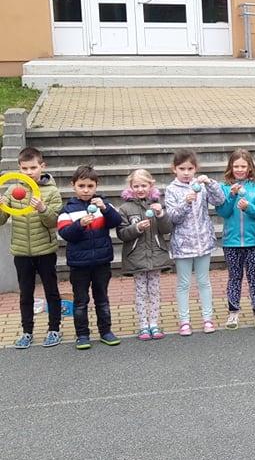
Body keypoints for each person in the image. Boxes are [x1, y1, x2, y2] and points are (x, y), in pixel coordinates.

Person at [0, 146, 63, 349]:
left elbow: (53, 222)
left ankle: (54, 329)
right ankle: (27, 332)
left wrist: (42, 208)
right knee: (25, 294)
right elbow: (1, 220)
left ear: (42, 166)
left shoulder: (52, 191)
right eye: (24, 168)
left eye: (33, 167)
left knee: (51, 291)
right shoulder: (12, 190)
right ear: (19, 168)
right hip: (21, 252)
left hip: (45, 250)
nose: (29, 172)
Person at [57, 165, 123, 349]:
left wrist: (106, 209)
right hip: (79, 264)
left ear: (96, 186)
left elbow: (116, 221)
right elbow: (65, 233)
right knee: (81, 301)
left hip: (102, 261)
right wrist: (79, 224)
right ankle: (82, 335)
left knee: (102, 298)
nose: (86, 190)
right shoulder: (67, 210)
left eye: (90, 186)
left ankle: (106, 332)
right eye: (81, 186)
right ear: (73, 185)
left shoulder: (103, 204)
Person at [164, 149, 225, 336]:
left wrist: (210, 183)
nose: (186, 172)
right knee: (183, 284)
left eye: (190, 169)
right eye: (182, 168)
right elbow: (172, 217)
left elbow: (220, 200)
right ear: (174, 169)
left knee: (204, 281)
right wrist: (185, 202)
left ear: (196, 168)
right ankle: (184, 321)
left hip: (203, 242)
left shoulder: (201, 186)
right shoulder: (171, 189)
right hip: (182, 245)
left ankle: (208, 318)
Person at [217, 149, 255, 330]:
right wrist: (231, 196)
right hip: (231, 242)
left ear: (249, 167)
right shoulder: (224, 187)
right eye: (236, 166)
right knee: (234, 277)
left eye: (243, 166)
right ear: (230, 167)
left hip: (254, 241)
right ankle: (233, 313)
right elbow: (222, 212)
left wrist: (249, 207)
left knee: (254, 276)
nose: (239, 169)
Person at [116, 169, 172, 340]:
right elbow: (122, 234)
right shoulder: (125, 208)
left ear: (150, 185)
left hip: (155, 255)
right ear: (130, 187)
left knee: (154, 291)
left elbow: (167, 229)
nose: (140, 189)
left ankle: (154, 323)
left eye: (143, 185)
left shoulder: (157, 205)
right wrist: (137, 228)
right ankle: (143, 325)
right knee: (141, 293)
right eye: (136, 186)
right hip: (137, 257)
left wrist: (160, 214)